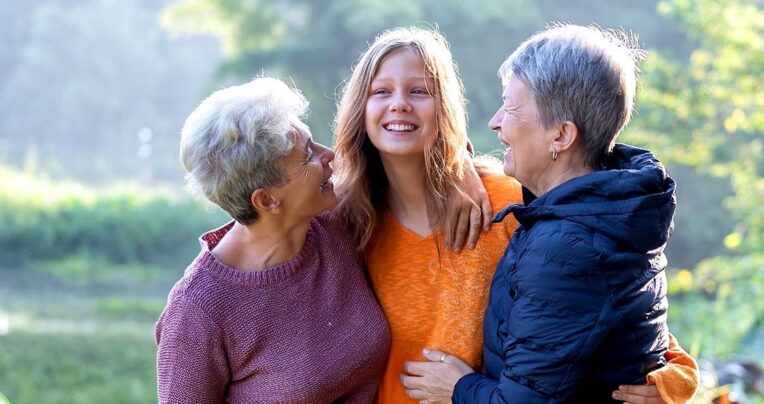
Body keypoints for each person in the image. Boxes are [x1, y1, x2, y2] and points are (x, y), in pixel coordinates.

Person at [333, 27, 698, 404]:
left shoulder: (508, 206)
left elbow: (604, 301)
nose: (399, 104)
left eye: (419, 91)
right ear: (359, 106)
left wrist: (673, 376)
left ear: (447, 109)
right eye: (381, 91)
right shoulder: (345, 224)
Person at [155, 77, 390, 403]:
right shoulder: (198, 311)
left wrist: (466, 171)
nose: (329, 154)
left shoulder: (335, 225)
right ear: (266, 201)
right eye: (308, 155)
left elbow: (417, 175)